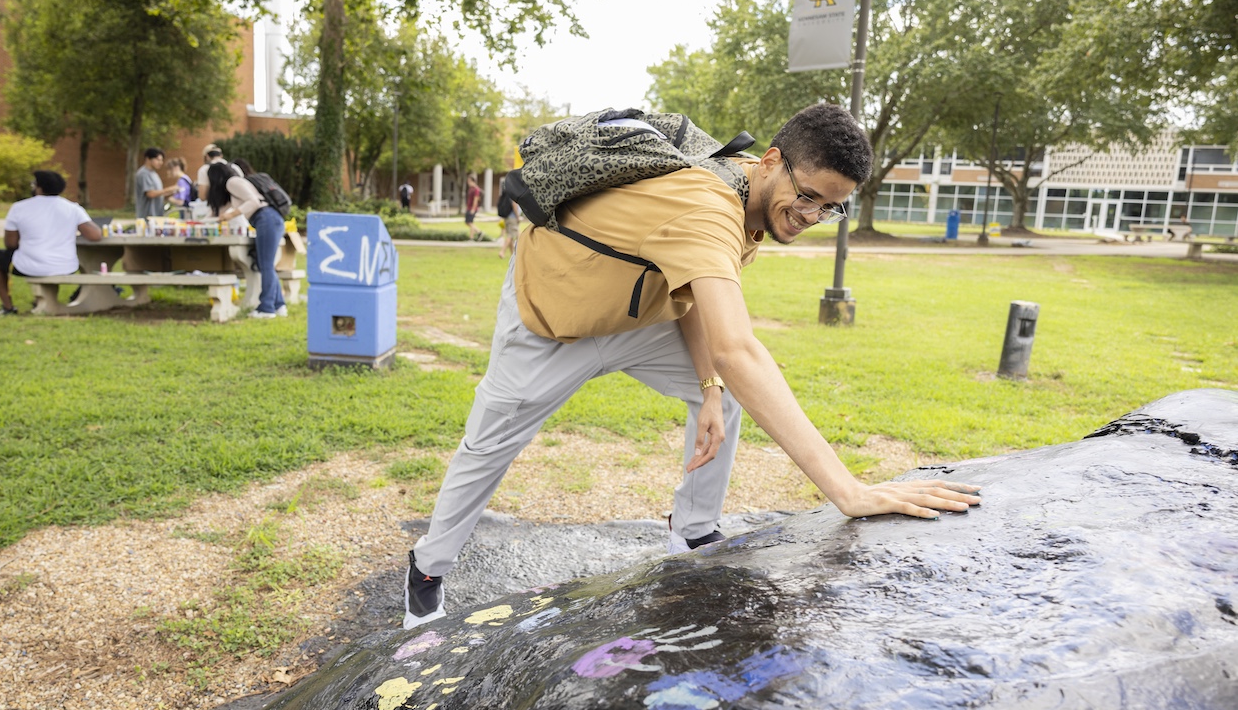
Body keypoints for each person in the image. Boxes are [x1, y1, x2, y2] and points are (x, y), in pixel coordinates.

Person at [403, 103, 982, 629]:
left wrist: (708, 386)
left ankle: (695, 527)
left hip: (642, 319)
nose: (812, 214)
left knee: (726, 390)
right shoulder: (709, 208)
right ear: (774, 161)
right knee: (489, 446)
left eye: (832, 207)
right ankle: (427, 570)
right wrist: (848, 491)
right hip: (553, 318)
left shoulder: (751, 189)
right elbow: (740, 348)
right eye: (807, 196)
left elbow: (695, 303)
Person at [0, 170, 102, 317]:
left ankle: (8, 307)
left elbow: (10, 244)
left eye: (33, 184)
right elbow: (95, 235)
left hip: (28, 266)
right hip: (66, 266)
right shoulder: (73, 208)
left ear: (39, 187)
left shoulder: (18, 207)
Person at [206, 160, 286, 318]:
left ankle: (267, 308)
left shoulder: (233, 182)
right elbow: (220, 212)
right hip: (265, 220)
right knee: (266, 264)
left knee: (266, 265)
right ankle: (278, 305)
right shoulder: (232, 188)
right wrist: (199, 222)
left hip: (266, 218)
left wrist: (232, 214)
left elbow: (254, 202)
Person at [133, 148, 177, 219]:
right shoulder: (144, 174)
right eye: (158, 160)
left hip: (157, 215)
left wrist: (171, 193)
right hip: (147, 217)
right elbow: (150, 194)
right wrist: (169, 189)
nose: (161, 162)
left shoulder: (154, 174)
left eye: (162, 160)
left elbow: (158, 194)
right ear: (148, 159)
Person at [498, 186, 520, 260]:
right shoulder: (514, 193)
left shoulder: (507, 192)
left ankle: (512, 254)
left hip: (507, 217)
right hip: (512, 217)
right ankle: (502, 251)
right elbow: (514, 205)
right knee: (511, 236)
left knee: (510, 236)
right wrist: (518, 216)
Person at [464, 174, 484, 240]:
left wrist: (473, 209)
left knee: (470, 222)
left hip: (472, 208)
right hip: (469, 207)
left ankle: (477, 234)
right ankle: (475, 235)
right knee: (468, 222)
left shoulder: (476, 189)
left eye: (469, 181)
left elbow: (476, 200)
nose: (468, 182)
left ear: (472, 181)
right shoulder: (470, 189)